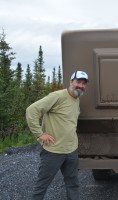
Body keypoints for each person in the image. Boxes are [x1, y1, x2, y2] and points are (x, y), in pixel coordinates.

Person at [26, 70, 88, 200]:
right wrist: (40, 134)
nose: (81, 85)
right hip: (53, 150)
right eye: (78, 82)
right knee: (42, 185)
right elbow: (32, 110)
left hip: (71, 150)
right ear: (71, 82)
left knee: (73, 184)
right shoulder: (57, 96)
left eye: (84, 83)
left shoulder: (76, 99)